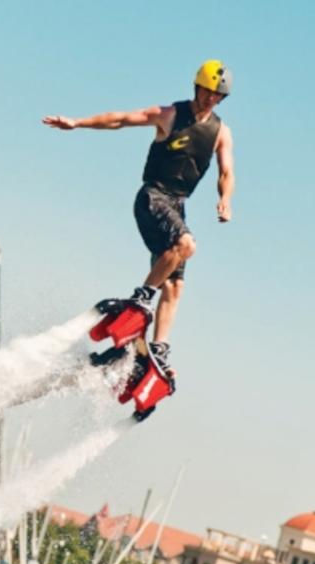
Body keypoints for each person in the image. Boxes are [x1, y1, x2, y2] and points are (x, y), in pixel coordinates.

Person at [43, 59, 235, 376]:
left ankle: (157, 349)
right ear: (197, 87)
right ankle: (141, 297)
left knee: (174, 287)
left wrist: (225, 199)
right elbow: (121, 119)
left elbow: (227, 171)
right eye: (208, 92)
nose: (212, 99)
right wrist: (77, 123)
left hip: (177, 205)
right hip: (153, 197)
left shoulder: (221, 132)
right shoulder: (170, 114)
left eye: (219, 96)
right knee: (186, 244)